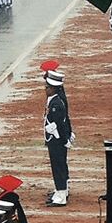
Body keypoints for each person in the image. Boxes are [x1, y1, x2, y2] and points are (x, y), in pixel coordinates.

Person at [43, 66, 72, 206]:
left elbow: (61, 123)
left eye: (48, 87)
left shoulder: (56, 104)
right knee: (60, 165)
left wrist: (65, 138)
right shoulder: (55, 99)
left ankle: (61, 196)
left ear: (54, 88)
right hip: (56, 139)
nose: (45, 89)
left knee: (58, 166)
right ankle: (61, 190)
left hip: (57, 140)